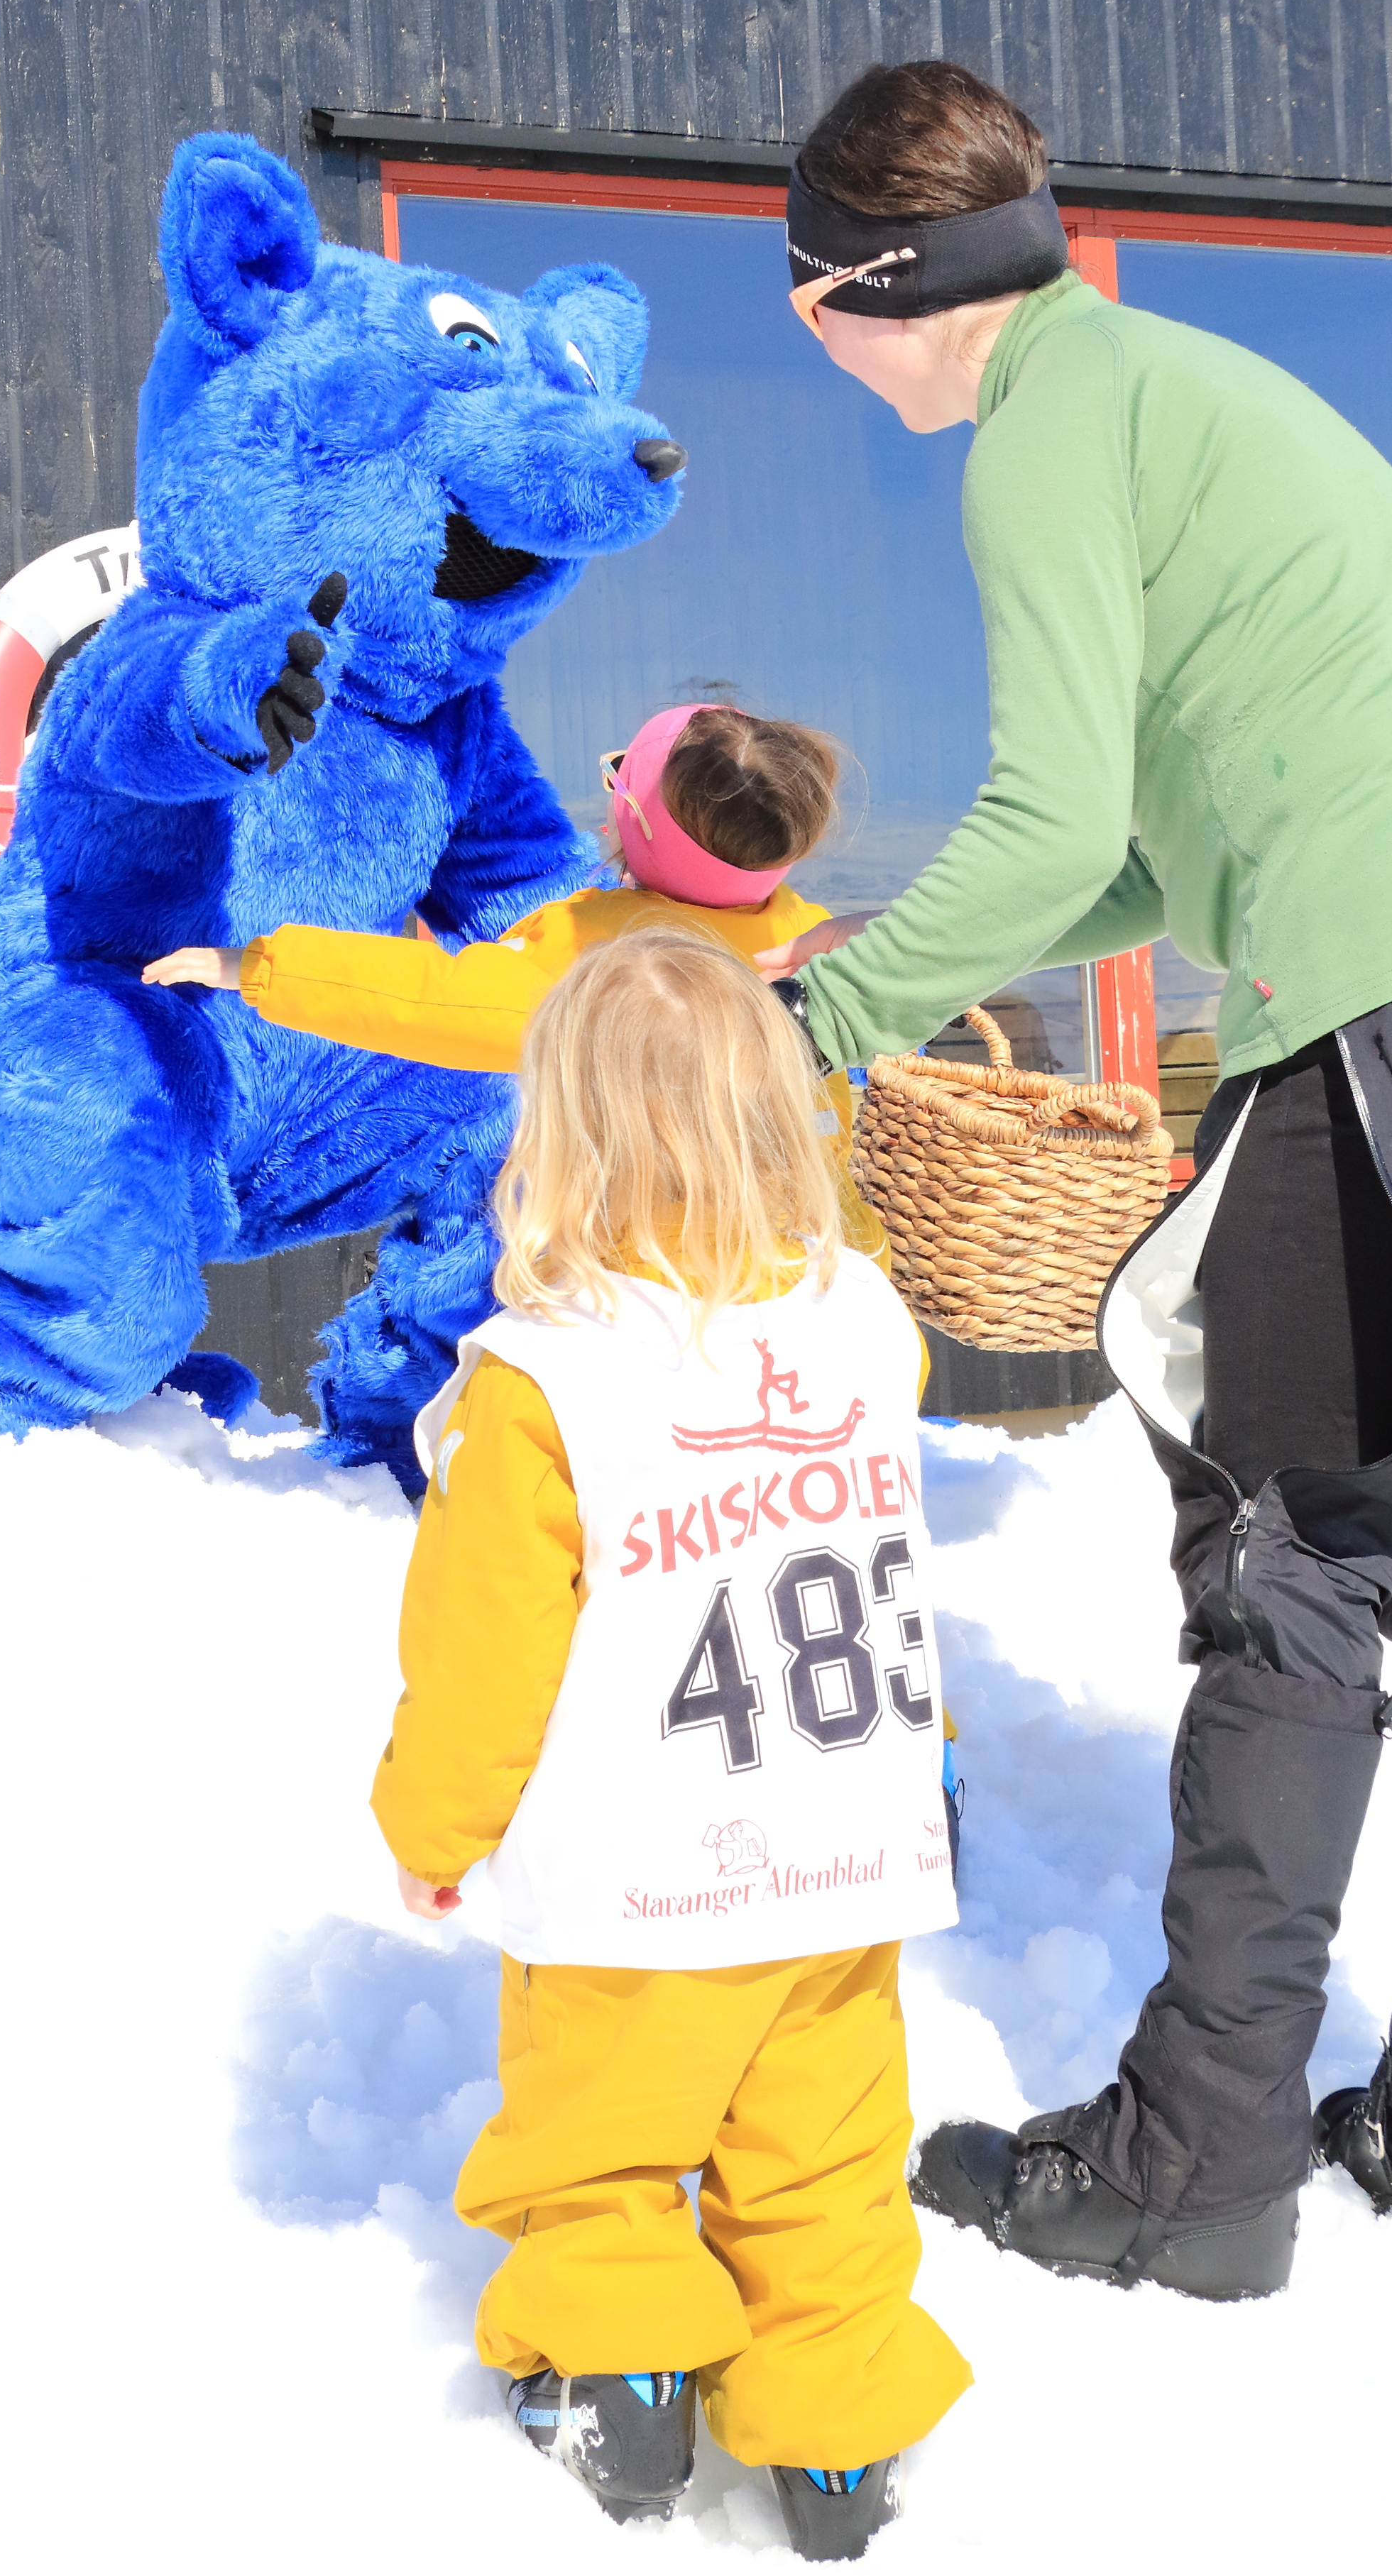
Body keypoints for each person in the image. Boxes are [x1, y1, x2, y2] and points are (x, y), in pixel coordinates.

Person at [755, 58, 1392, 2294]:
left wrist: (819, 1015)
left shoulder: (1046, 428)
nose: (812, 343)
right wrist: (897, 948)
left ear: (875, 288)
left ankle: (1195, 2166)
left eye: (804, 303)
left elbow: (1042, 817)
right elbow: (1129, 855)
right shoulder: (1176, 384)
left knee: (1288, 1527)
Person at [371, 929, 969, 2557]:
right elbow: (871, 1561)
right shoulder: (864, 1325)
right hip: (846, 1849)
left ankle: (623, 2390)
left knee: (603, 2140)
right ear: (783, 1120)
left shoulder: (547, 1386)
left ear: (557, 1139)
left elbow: (483, 1650)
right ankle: (838, 2444)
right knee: (827, 2160)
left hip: (646, 1878)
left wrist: (436, 1828)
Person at [142, 703, 889, 1264]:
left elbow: (431, 996)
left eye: (617, 778)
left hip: (667, 1275)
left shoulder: (601, 963)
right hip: (826, 1265)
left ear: (635, 821)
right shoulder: (813, 936)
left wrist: (260, 965)